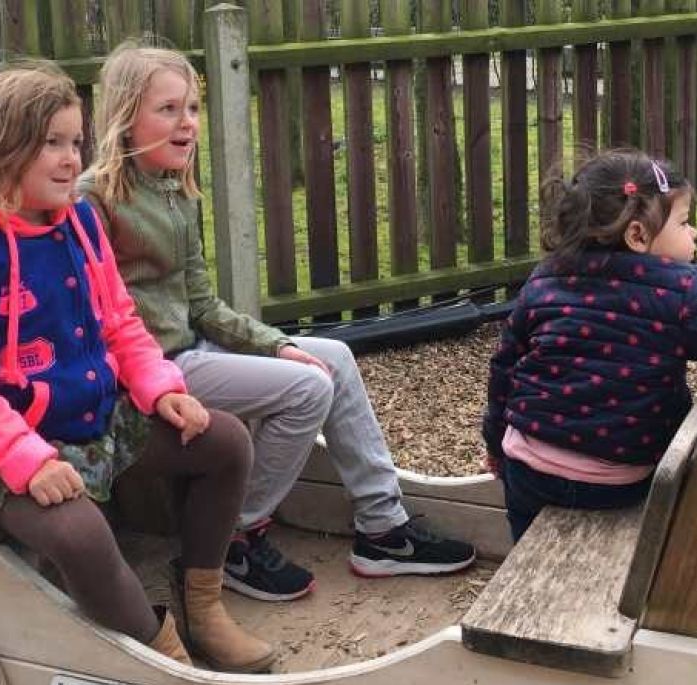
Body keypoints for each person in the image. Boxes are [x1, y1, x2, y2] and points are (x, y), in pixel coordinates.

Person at [79, 42, 476, 603]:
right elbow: (93, 319)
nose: (186, 122)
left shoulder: (176, 192)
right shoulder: (92, 201)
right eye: (167, 110)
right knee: (306, 389)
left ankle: (382, 527)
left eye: (192, 108)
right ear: (124, 116)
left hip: (190, 353)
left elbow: (203, 305)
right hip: (148, 378)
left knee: (331, 357)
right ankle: (234, 536)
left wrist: (277, 344)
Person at [0, 64, 274, 673]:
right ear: (0, 148)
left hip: (97, 424)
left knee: (225, 442)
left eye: (74, 142)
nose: (67, 158)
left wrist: (161, 388)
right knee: (81, 536)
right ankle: (164, 660)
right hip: (1, 455)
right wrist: (27, 459)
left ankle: (204, 606)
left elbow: (120, 324)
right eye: (50, 143)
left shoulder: (79, 221)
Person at [485, 150, 697, 540]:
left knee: (525, 538)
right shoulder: (680, 294)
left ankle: (520, 566)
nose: (693, 233)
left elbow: (504, 369)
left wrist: (494, 443)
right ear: (638, 235)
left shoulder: (544, 279)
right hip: (618, 479)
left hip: (529, 466)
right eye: (684, 222)